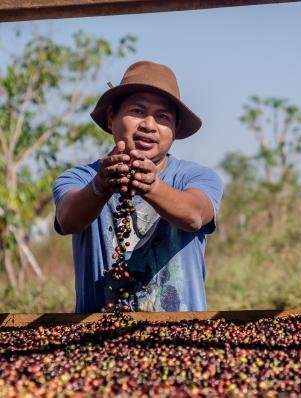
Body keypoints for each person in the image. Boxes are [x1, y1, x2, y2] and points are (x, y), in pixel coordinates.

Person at [53, 60, 223, 313]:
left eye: (163, 116)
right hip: (99, 341)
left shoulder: (196, 177)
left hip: (181, 340)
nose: (149, 125)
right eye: (138, 111)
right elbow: (68, 220)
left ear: (175, 129)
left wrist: (151, 186)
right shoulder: (79, 178)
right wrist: (100, 186)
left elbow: (195, 215)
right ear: (112, 117)